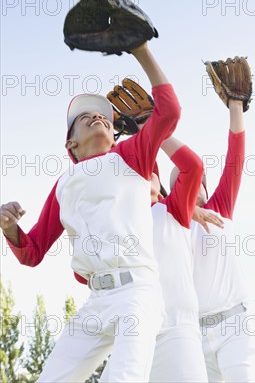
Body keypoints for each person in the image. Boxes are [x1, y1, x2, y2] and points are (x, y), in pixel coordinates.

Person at [0, 42, 181, 383]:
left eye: (104, 118)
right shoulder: (64, 183)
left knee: (122, 378)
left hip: (136, 293)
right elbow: (33, 252)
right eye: (85, 118)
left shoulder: (130, 157)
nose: (98, 117)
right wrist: (9, 229)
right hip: (97, 301)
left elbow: (169, 113)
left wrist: (140, 49)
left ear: (115, 136)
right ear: (71, 144)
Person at [190, 98, 255, 383]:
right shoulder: (166, 223)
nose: (189, 182)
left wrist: (236, 106)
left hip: (235, 326)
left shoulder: (218, 207)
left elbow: (235, 157)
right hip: (193, 337)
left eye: (196, 179)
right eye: (181, 179)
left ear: (205, 188)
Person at [149, 135, 221, 383]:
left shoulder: (171, 210)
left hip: (179, 328)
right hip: (139, 329)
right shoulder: (128, 218)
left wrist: (150, 129)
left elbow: (193, 167)